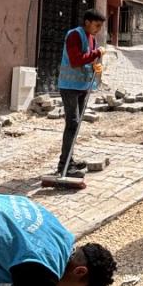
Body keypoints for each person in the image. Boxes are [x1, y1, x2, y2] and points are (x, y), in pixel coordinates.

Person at [56, 10, 105, 178]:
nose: (98, 29)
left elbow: (87, 59)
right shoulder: (74, 35)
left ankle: (70, 159)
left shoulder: (92, 39)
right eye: (96, 25)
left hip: (82, 86)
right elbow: (76, 59)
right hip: (69, 86)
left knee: (75, 125)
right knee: (72, 124)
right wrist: (96, 53)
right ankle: (64, 165)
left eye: (100, 26)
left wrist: (95, 67)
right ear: (87, 22)